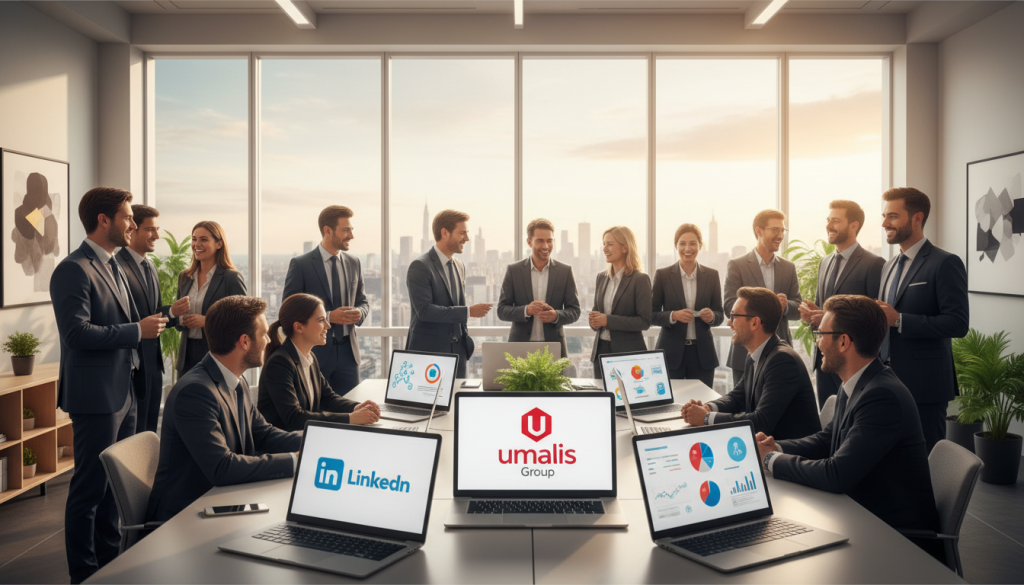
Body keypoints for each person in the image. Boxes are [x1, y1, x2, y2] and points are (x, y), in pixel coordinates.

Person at [757, 294, 941, 556]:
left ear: (843, 341)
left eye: (821, 334)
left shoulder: (882, 396)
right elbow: (825, 439)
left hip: (893, 540)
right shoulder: (858, 382)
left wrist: (770, 460)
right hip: (859, 515)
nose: (818, 342)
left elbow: (836, 474)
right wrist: (775, 447)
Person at [50, 187, 167, 583]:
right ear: (104, 220)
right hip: (97, 397)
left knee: (115, 492)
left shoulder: (115, 264)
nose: (133, 224)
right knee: (88, 491)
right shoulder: (73, 268)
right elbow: (76, 334)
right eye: (127, 217)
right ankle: (84, 574)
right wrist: (136, 330)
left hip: (125, 391)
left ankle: (110, 566)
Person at [147, 295, 302, 523]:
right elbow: (222, 467)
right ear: (244, 342)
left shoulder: (236, 381)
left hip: (223, 504)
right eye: (263, 334)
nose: (268, 340)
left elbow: (263, 433)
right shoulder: (196, 392)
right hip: (185, 520)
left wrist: (315, 442)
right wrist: (295, 461)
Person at [877, 187, 969, 452]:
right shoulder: (889, 265)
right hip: (885, 378)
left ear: (917, 218)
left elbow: (958, 323)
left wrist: (899, 320)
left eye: (893, 216)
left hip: (925, 385)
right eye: (884, 216)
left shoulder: (945, 263)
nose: (884, 223)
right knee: (891, 457)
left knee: (926, 459)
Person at [680, 287, 820, 441]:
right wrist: (708, 407)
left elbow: (761, 421)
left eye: (734, 316)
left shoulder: (782, 361)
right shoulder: (756, 353)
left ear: (755, 322)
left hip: (791, 456)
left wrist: (707, 418)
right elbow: (738, 397)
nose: (729, 323)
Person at [798, 200, 885, 409]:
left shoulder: (874, 264)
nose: (829, 226)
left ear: (853, 225)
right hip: (825, 359)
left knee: (852, 420)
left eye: (835, 221)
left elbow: (874, 319)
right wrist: (811, 317)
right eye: (828, 220)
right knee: (829, 421)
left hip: (853, 361)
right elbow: (822, 308)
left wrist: (829, 320)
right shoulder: (825, 262)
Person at [116, 205, 191, 433]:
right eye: (150, 230)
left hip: (153, 366)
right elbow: (121, 318)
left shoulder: (149, 265)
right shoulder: (117, 266)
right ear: (133, 230)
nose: (157, 236)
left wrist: (172, 313)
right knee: (131, 437)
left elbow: (153, 312)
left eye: (157, 229)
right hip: (131, 368)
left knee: (149, 432)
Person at [258, 293, 381, 430]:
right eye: (321, 320)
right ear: (299, 327)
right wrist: (350, 418)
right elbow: (294, 418)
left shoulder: (310, 357)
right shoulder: (279, 364)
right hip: (286, 444)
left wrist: (356, 407)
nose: (328, 326)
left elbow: (328, 398)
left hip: (305, 437)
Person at [282, 206, 370, 396]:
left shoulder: (354, 262)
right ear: (328, 230)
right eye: (346, 230)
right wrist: (328, 317)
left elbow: (363, 301)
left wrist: (360, 312)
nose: (351, 236)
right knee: (316, 411)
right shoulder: (301, 264)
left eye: (351, 230)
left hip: (349, 354)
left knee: (351, 411)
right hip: (315, 353)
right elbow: (288, 310)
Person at [406, 209, 492, 378]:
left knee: (456, 402)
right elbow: (424, 311)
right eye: (462, 233)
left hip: (458, 355)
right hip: (429, 355)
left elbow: (454, 304)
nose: (467, 239)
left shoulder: (459, 265)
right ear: (444, 233)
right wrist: (468, 312)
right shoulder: (420, 266)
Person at [724, 210, 801, 385]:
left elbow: (798, 308)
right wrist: (769, 306)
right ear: (759, 231)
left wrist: (785, 306)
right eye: (775, 230)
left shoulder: (788, 268)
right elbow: (729, 305)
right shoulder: (737, 265)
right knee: (743, 407)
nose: (780, 235)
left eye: (783, 231)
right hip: (745, 352)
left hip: (781, 352)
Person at [496, 218, 581, 359]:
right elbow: (501, 310)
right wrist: (526, 310)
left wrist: (556, 316)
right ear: (529, 242)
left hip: (553, 347)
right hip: (520, 347)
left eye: (550, 240)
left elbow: (575, 311)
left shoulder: (565, 271)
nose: (546, 245)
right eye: (540, 240)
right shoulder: (514, 270)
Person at [651, 224, 724, 388]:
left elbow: (720, 313)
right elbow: (651, 314)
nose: (687, 248)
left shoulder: (712, 275)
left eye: (692, 243)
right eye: (682, 243)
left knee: (701, 404)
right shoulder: (663, 275)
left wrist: (712, 316)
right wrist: (673, 316)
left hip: (702, 354)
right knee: (670, 404)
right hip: (670, 353)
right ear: (676, 246)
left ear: (700, 246)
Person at [174, 221, 247, 376]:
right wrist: (180, 319)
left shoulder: (231, 278)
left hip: (217, 356)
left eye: (204, 239)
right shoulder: (185, 277)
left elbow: (244, 320)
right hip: (186, 357)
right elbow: (177, 320)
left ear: (219, 244)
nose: (197, 244)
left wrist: (208, 321)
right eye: (194, 239)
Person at [589, 226, 652, 378]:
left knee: (627, 400)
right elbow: (597, 312)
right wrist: (594, 321)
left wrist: (607, 320)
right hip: (600, 352)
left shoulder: (640, 279)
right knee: (604, 400)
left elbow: (644, 321)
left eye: (610, 244)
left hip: (628, 354)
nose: (604, 249)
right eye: (604, 244)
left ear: (625, 248)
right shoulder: (601, 278)